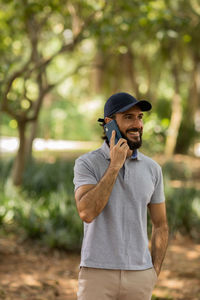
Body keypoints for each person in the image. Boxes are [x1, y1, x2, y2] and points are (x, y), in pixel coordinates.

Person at [73, 92, 169, 300]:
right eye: (128, 117)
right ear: (109, 124)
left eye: (140, 117)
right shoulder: (87, 164)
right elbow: (87, 212)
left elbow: (160, 224)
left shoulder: (153, 169)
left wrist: (153, 272)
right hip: (96, 274)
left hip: (140, 275)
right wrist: (115, 165)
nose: (137, 124)